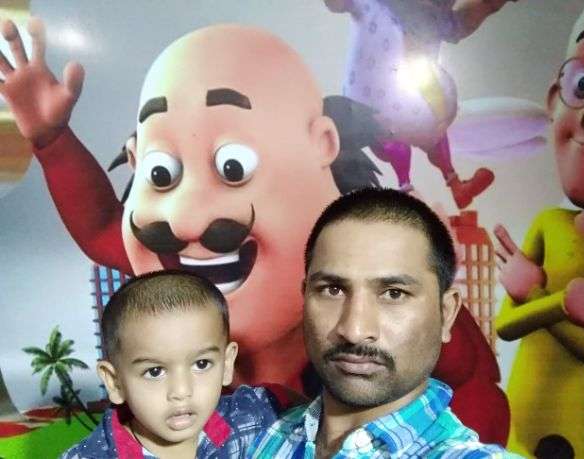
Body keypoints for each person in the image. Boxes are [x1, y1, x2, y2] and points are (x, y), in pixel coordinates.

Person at [0, 18, 509, 442]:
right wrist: (53, 141)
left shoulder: (365, 269)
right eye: (161, 173)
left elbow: (473, 381)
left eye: (233, 168)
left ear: (322, 146)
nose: (186, 219)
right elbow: (102, 230)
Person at [250, 188, 519, 458]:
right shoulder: (252, 436)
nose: (354, 331)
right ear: (305, 296)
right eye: (333, 290)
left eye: (394, 294)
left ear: (446, 313)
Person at [493, 0, 584, 457]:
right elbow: (505, 325)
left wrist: (537, 296)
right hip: (512, 426)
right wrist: (558, 301)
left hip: (563, 435)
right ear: (553, 99)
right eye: (581, 84)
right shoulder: (548, 223)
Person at [61, 270, 280, 459]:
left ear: (226, 364)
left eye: (202, 364)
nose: (181, 391)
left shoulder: (253, 414)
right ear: (114, 382)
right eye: (154, 372)